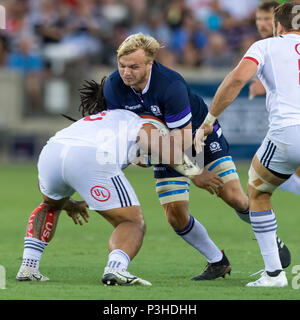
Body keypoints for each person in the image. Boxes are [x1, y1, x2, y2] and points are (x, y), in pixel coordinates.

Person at [101, 32, 292, 281]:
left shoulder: (170, 85)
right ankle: (218, 262)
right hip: (163, 147)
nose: (126, 72)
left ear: (150, 63)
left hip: (199, 135)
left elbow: (181, 140)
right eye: (122, 66)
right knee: (175, 215)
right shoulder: (113, 86)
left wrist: (195, 172)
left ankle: (268, 235)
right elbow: (121, 130)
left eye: (134, 67)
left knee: (233, 196)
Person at [16, 78, 204, 286]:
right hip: (91, 157)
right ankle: (116, 269)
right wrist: (195, 172)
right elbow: (162, 148)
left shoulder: (96, 119)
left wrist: (70, 204)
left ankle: (29, 267)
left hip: (52, 150)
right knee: (131, 222)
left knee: (50, 206)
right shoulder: (139, 121)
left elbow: (50, 188)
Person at [196, 2, 300, 287]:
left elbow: (236, 79)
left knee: (257, 189)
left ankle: (275, 274)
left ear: (278, 25)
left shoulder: (265, 47)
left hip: (290, 130)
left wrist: (210, 119)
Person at [249, 1, 300, 197]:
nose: (262, 24)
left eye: (267, 19)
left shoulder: (271, 46)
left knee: (257, 187)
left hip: (289, 124)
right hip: (285, 123)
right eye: (258, 19)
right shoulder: (264, 47)